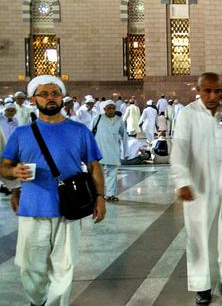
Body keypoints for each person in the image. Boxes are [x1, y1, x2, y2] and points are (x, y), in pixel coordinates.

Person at [0, 75, 105, 306]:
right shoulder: (21, 134)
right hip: (32, 208)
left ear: (62, 97)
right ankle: (37, 301)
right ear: (32, 99)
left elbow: (93, 165)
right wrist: (14, 173)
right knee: (30, 267)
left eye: (55, 94)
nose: (50, 98)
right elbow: (4, 167)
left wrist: (100, 197)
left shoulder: (79, 131)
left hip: (69, 209)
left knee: (63, 266)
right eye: (44, 94)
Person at [171, 72, 222, 305]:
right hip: (198, 185)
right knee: (198, 236)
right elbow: (179, 152)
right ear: (199, 90)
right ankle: (202, 286)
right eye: (207, 90)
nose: (213, 95)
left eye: (217, 91)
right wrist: (182, 181)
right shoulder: (188, 114)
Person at [93, 100, 128, 202]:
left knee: (112, 174)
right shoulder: (97, 119)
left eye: (113, 108)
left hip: (113, 151)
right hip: (99, 151)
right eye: (109, 108)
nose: (112, 110)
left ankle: (110, 194)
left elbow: (124, 136)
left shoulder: (119, 120)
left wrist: (126, 152)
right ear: (104, 109)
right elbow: (89, 134)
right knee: (98, 174)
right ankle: (97, 194)